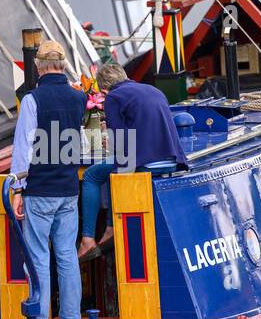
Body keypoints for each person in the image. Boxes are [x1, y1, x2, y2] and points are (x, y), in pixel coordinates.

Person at [8, 40, 87, 319]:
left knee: (38, 256)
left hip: (40, 189)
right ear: (63, 65)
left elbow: (24, 147)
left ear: (38, 67)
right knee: (67, 254)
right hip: (68, 188)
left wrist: (17, 189)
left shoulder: (32, 100)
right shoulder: (78, 99)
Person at [76, 63, 188, 260]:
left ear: (103, 90)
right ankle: (110, 228)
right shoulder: (153, 89)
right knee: (115, 169)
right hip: (171, 159)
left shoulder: (114, 97)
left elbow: (118, 145)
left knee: (91, 175)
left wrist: (106, 138)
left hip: (146, 162)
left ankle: (89, 239)